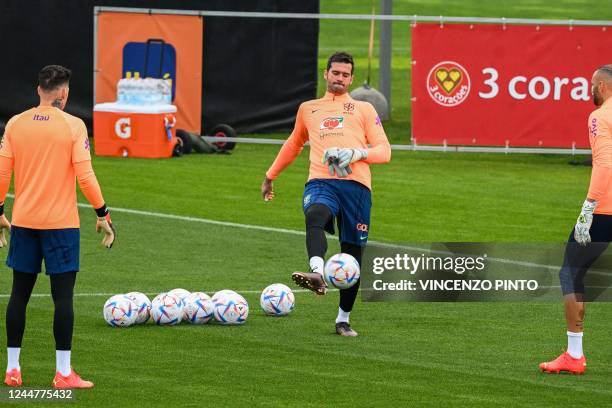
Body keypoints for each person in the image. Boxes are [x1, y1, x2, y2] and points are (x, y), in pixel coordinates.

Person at [0, 65, 115, 388]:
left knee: (18, 295)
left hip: (23, 222)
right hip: (61, 226)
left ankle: (12, 370)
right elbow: (85, 176)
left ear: (39, 90)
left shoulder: (15, 124)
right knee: (62, 298)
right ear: (64, 94)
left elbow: (1, 174)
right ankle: (63, 373)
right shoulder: (74, 126)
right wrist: (103, 214)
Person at [261, 52, 391, 337]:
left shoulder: (364, 110)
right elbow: (294, 144)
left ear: (351, 79)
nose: (340, 79)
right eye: (336, 73)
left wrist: (356, 153)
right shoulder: (308, 108)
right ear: (326, 74)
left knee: (353, 257)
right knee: (315, 214)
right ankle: (317, 273)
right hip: (322, 180)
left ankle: (343, 319)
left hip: (357, 186)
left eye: (345, 75)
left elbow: (385, 151)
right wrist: (270, 175)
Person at [539, 65, 612, 375]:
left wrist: (588, 210)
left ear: (604, 87)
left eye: (592, 84)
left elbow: (605, 164)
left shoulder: (600, 116)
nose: (589, 89)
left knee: (570, 272)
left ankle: (574, 354)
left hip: (606, 209)